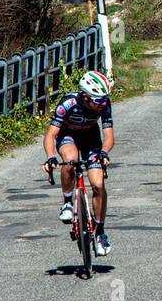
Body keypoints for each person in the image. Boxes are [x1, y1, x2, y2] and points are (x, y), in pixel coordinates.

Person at [42, 71, 114, 257]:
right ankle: (67, 202)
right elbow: (51, 135)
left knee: (98, 185)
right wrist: (50, 156)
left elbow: (108, 136)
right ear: (85, 96)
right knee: (70, 159)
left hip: (91, 138)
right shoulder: (68, 103)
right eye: (98, 101)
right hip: (69, 135)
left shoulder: (104, 104)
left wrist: (104, 152)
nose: (102, 104)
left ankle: (100, 233)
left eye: (104, 100)